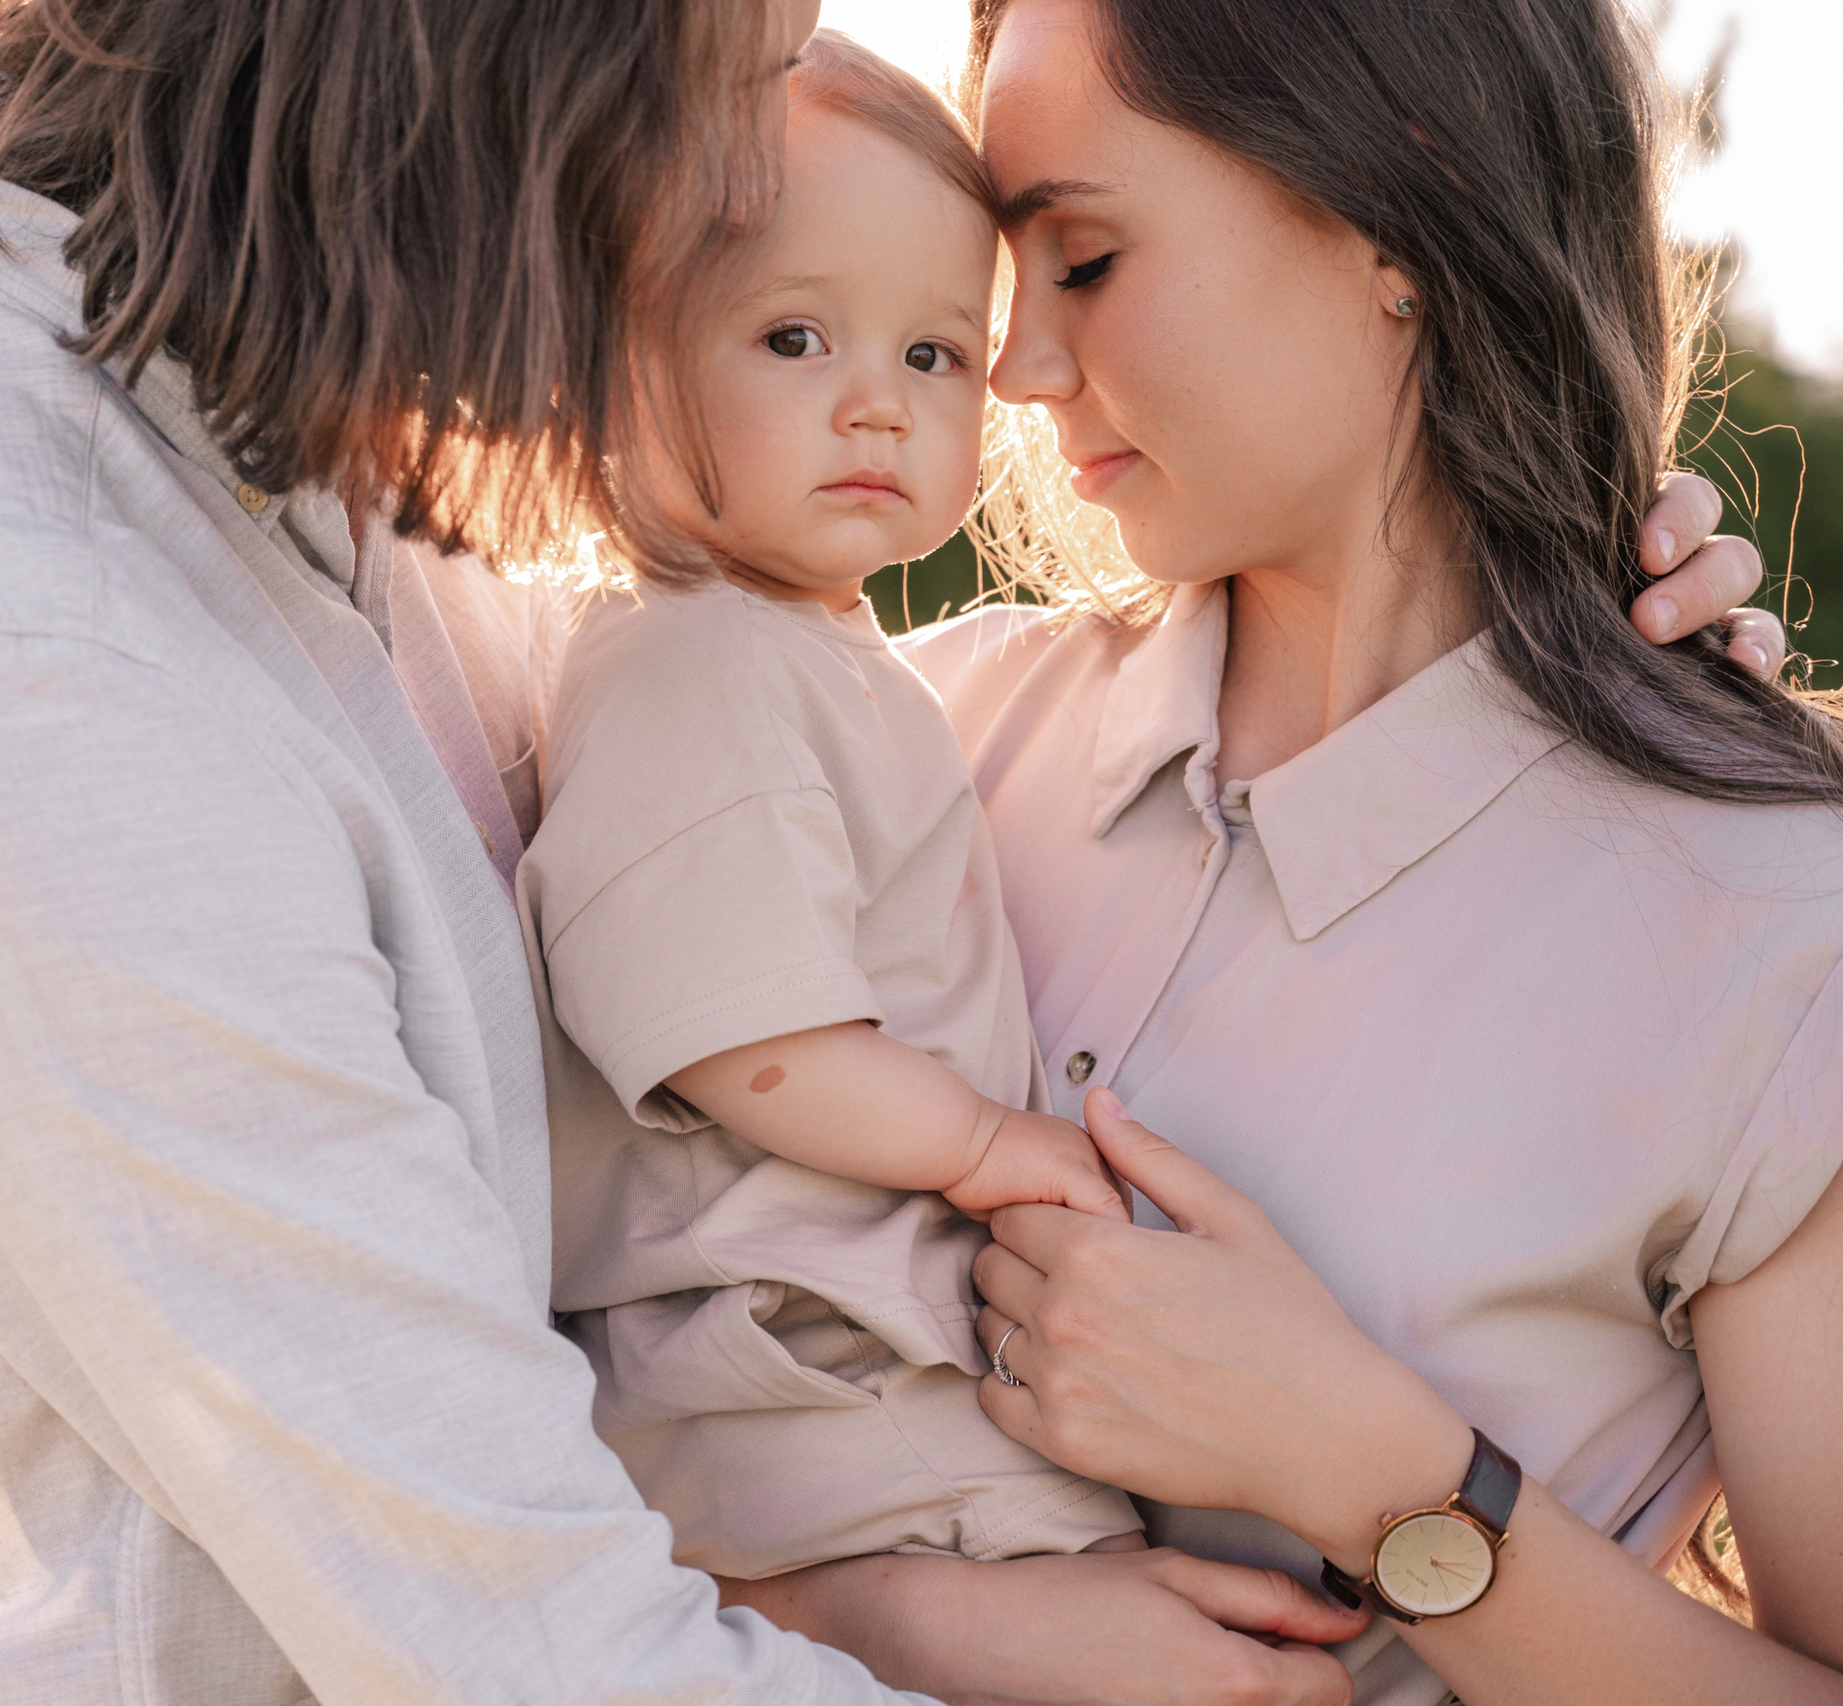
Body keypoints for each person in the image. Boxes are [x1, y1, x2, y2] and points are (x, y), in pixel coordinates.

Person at [0, 0, 1783, 1700]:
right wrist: (926, 1621)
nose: (999, 367)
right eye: (732, 75)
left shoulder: (380, 514)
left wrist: (1603, 698)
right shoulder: (21, 665)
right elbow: (531, 1639)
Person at [741, 1, 1843, 1702]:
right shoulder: (901, 741)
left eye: (1086, 259)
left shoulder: (1775, 924)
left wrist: (1383, 1473)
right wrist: (895, 1614)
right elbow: (544, 1377)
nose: (1018, 366)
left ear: (1395, 216)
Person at [523, 32, 1144, 1586]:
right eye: (796, 338)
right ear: (607, 358)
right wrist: (982, 1140)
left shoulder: (810, 650)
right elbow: (749, 1040)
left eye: (932, 355)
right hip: (804, 1375)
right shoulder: (696, 666)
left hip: (857, 1354)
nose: (878, 406)